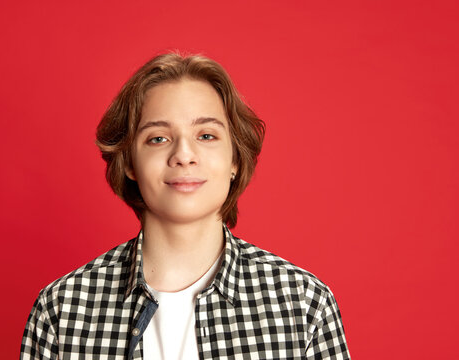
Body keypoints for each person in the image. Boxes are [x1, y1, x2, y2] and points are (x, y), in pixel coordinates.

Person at [20, 52, 350, 360]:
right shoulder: (62, 310)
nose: (183, 155)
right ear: (130, 162)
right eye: (158, 138)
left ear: (235, 158)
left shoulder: (304, 304)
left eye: (206, 135)